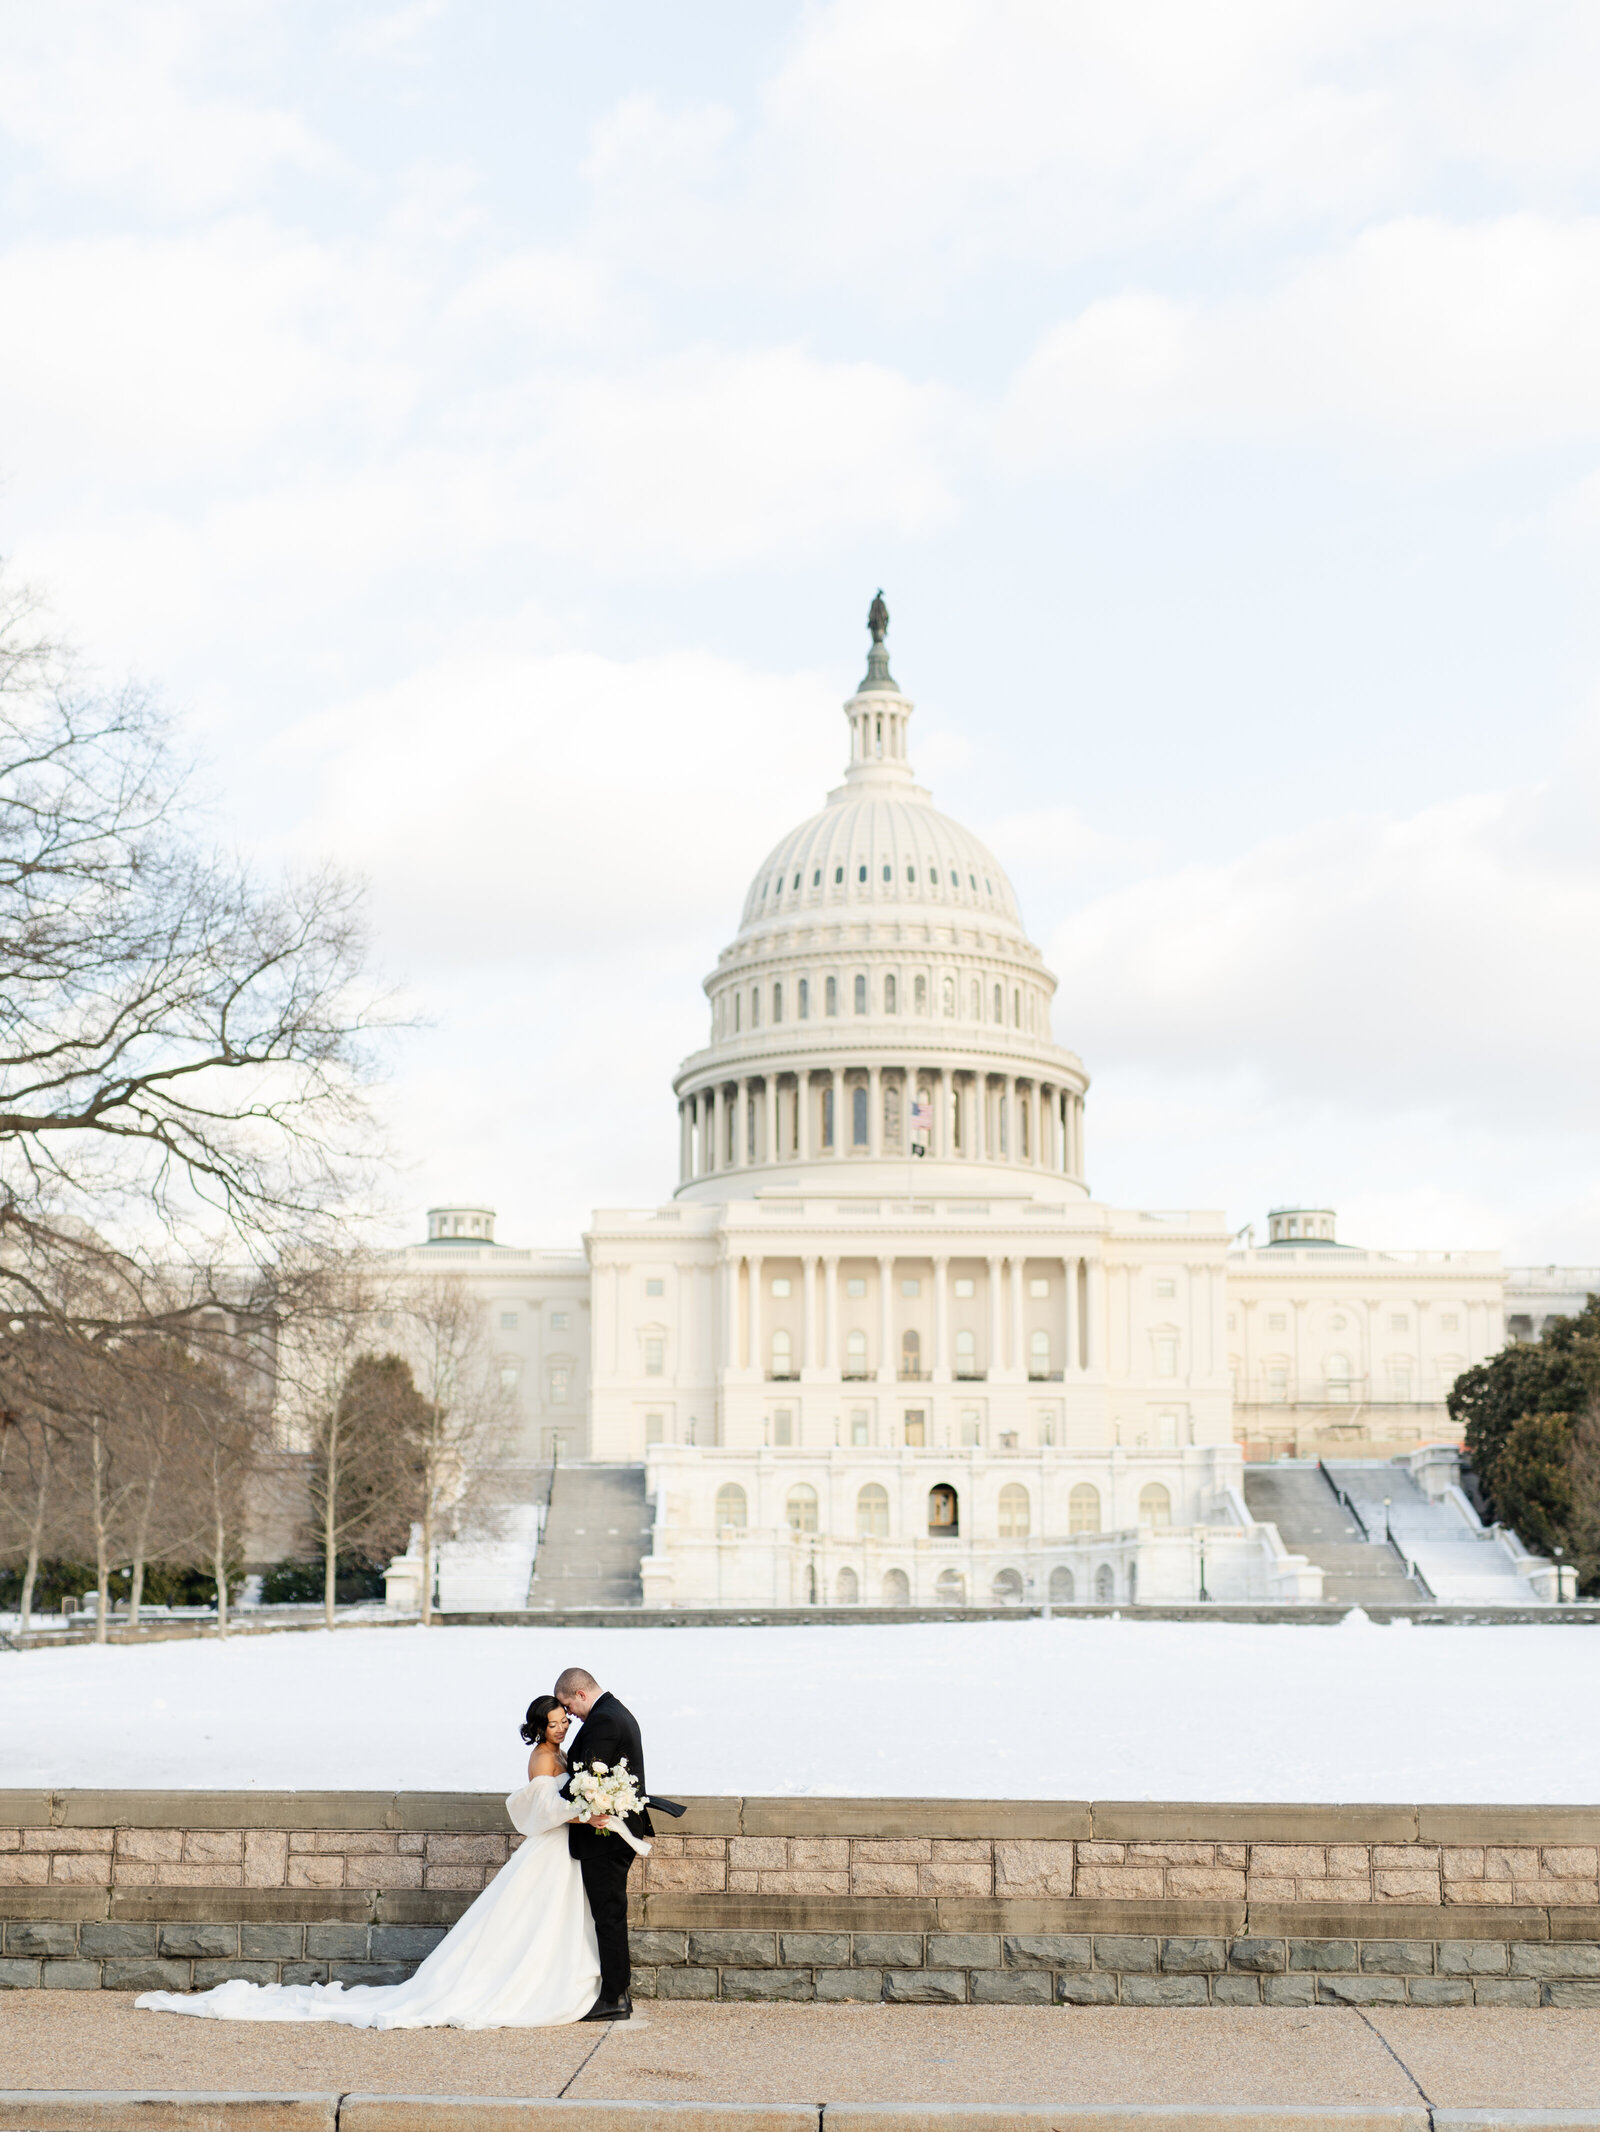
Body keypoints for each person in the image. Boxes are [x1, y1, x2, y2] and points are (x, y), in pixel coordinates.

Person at [133, 1695, 600, 2028]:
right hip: (552, 1845)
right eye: (556, 1723)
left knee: (544, 1919)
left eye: (564, 1720)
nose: (563, 1727)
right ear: (539, 1728)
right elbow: (543, 1812)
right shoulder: (542, 1760)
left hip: (561, 1848)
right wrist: (583, 1810)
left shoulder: (558, 1753)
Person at [556, 1665, 653, 2022]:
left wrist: (555, 1791)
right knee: (608, 1913)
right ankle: (616, 1992)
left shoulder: (604, 1720)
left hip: (607, 1835)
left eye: (568, 1706)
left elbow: (587, 1775)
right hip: (609, 1832)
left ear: (581, 1694)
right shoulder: (614, 1712)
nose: (568, 1715)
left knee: (608, 1915)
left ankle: (614, 1996)